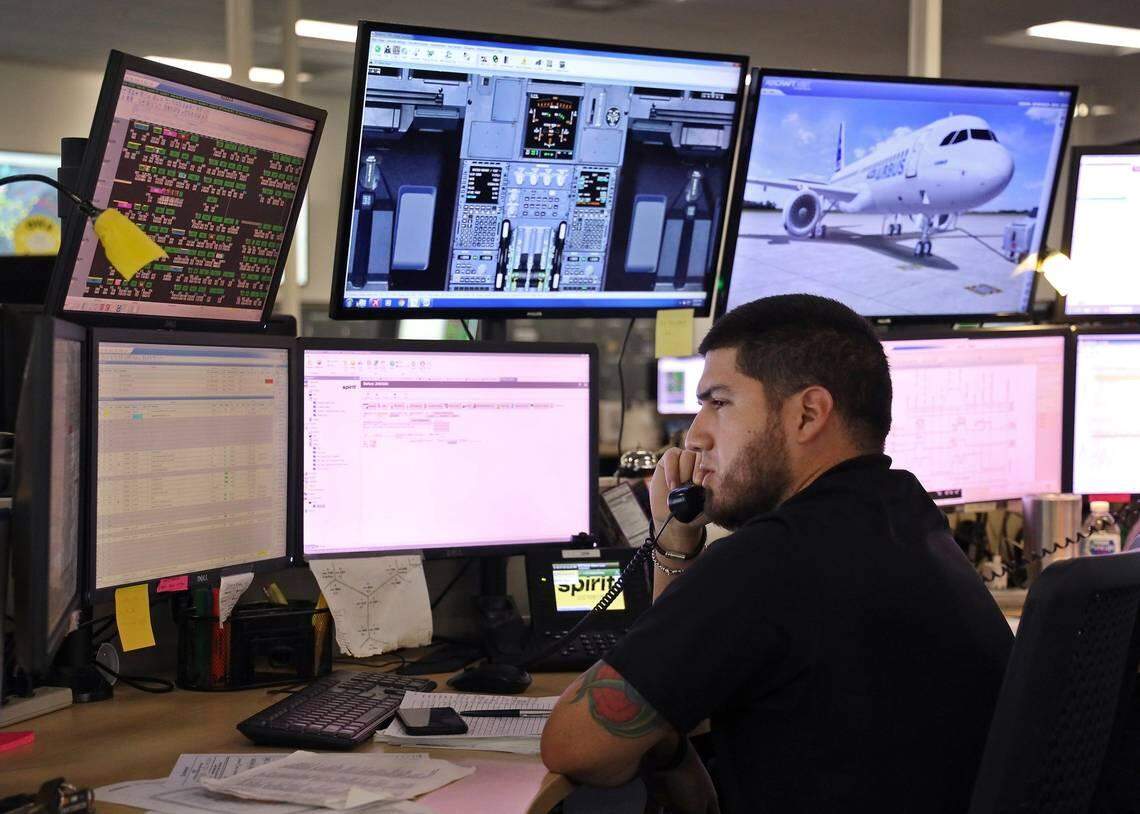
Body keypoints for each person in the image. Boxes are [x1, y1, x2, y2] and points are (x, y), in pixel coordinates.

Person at [540, 294, 1013, 813]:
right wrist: (675, 542)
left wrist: (668, 746)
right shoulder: (907, 517)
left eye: (719, 402)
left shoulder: (771, 559)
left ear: (808, 414)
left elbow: (574, 746)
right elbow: (675, 681)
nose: (695, 435)